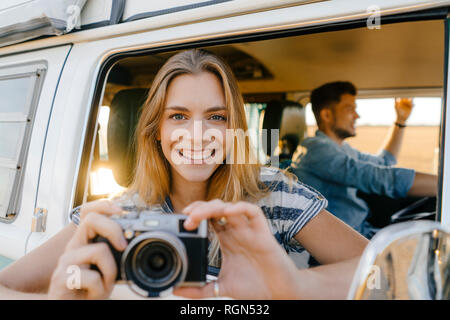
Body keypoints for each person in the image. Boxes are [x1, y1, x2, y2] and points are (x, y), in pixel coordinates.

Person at [0, 50, 367, 299]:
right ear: (155, 131)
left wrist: (291, 286)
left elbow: (378, 268)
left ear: (235, 129)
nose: (197, 134)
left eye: (216, 117)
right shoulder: (116, 216)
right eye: (178, 116)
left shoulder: (273, 195)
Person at [292, 81, 438, 239]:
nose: (357, 116)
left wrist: (400, 121)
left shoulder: (342, 149)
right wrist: (444, 185)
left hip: (362, 231)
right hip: (344, 242)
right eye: (350, 109)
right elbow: (376, 177)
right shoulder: (315, 150)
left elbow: (383, 162)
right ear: (327, 115)